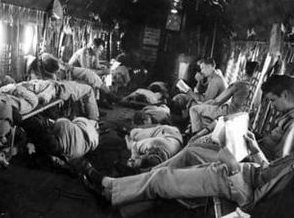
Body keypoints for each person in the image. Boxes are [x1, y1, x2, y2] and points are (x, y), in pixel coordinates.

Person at [71, 75, 294, 214]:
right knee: (185, 156)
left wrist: (234, 168)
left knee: (164, 177)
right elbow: (270, 171)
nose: (272, 108)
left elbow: (256, 205)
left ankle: (112, 186)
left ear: (285, 94)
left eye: (273, 101)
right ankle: (116, 190)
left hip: (238, 180)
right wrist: (255, 151)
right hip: (246, 171)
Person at [189, 61, 258, 133]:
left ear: (244, 70)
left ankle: (195, 135)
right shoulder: (252, 87)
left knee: (194, 109)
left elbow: (218, 101)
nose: (202, 71)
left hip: (230, 112)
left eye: (203, 68)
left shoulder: (239, 84)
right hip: (240, 114)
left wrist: (202, 105)